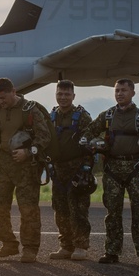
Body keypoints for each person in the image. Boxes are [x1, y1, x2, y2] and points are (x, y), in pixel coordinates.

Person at [79, 79, 139, 264]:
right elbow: (89, 132)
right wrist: (89, 145)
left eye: (124, 90)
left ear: (133, 92)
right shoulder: (107, 116)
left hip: (137, 170)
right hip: (113, 169)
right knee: (112, 213)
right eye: (117, 91)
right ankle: (112, 251)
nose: (120, 94)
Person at [0, 78, 52, 263]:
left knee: (28, 208)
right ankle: (8, 243)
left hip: (26, 165)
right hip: (3, 162)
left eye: (3, 97)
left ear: (13, 91)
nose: (0, 101)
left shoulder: (30, 109)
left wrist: (28, 152)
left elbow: (44, 136)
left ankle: (30, 248)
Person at [48, 81, 94, 260]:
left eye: (67, 94)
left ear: (73, 96)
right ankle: (65, 246)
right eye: (60, 94)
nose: (63, 97)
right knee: (60, 210)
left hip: (77, 170)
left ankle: (81, 246)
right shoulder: (51, 116)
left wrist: (86, 169)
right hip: (58, 171)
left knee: (79, 210)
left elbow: (90, 145)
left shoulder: (82, 116)